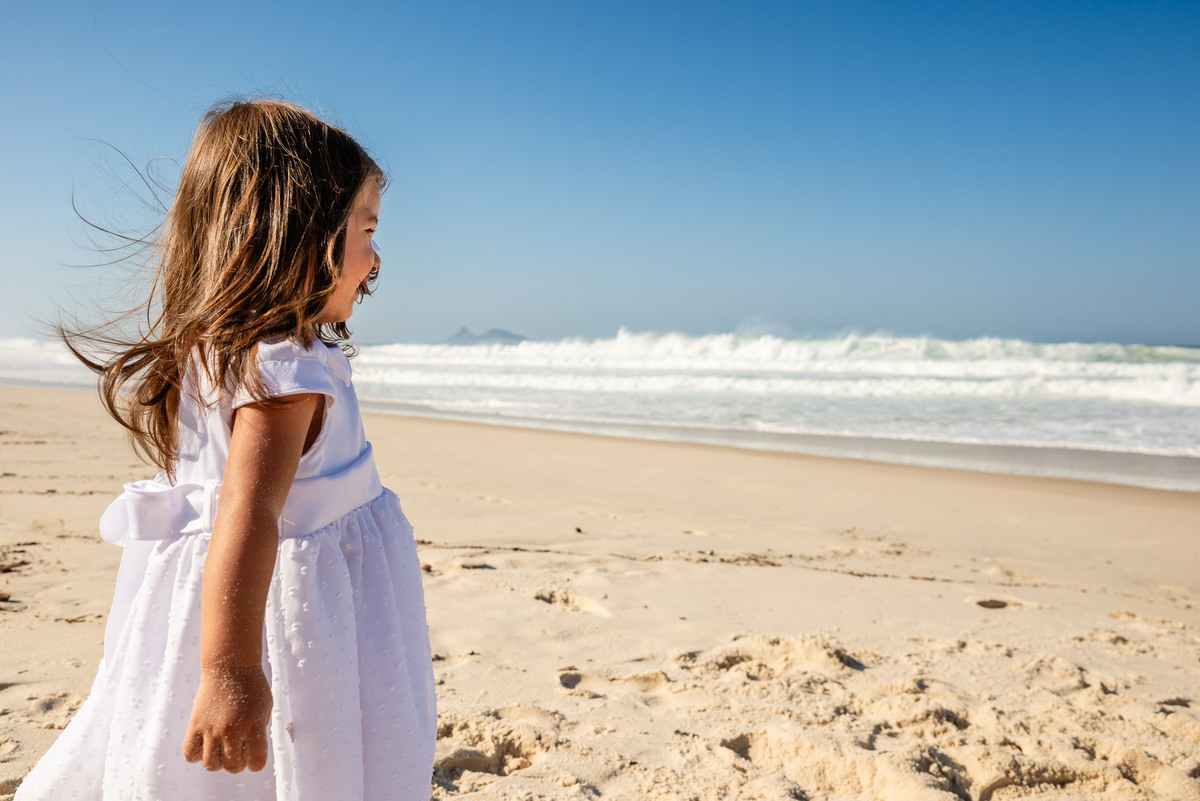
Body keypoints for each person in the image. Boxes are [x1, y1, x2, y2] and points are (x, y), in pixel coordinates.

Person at [15, 99, 437, 800]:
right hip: (280, 612)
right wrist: (233, 670)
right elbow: (249, 512)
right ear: (303, 236)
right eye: (365, 230)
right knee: (309, 761)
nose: (375, 257)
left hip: (208, 604)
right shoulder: (288, 371)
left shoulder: (221, 351)